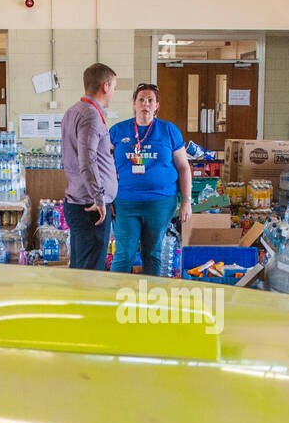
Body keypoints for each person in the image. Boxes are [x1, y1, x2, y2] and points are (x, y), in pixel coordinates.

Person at [108, 83, 191, 276]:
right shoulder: (118, 131)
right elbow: (106, 167)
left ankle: (149, 300)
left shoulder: (169, 130)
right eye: (141, 99)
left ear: (157, 106)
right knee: (124, 254)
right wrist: (107, 197)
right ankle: (115, 298)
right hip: (125, 202)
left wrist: (187, 200)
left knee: (152, 253)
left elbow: (183, 167)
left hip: (160, 202)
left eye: (150, 100)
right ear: (134, 103)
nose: (145, 103)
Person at [61, 63, 119, 270]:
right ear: (105, 86)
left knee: (80, 269)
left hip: (80, 202)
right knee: (91, 273)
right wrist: (99, 198)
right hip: (90, 208)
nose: (113, 93)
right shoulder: (91, 116)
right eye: (114, 88)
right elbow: (87, 161)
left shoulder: (73, 111)